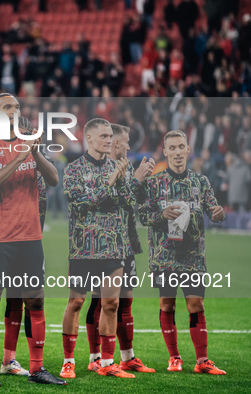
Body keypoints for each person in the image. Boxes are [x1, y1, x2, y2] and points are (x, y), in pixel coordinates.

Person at [0, 93, 65, 386]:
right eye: (7, 107)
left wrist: (35, 153)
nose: (14, 111)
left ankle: (37, 369)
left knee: (35, 301)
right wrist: (20, 158)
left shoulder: (29, 139)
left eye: (16, 107)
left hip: (30, 235)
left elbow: (53, 179)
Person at [138, 130, 226, 375]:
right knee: (167, 305)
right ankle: (174, 357)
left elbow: (213, 209)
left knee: (196, 304)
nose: (177, 152)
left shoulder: (200, 181)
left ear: (188, 150)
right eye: (172, 148)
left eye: (181, 147)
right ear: (165, 152)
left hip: (194, 256)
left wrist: (219, 213)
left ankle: (202, 360)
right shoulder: (155, 183)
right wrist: (160, 215)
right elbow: (143, 215)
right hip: (163, 257)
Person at [60, 118, 135, 380]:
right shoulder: (73, 170)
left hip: (114, 246)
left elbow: (128, 203)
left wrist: (127, 180)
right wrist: (111, 182)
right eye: (103, 136)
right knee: (77, 302)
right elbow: (81, 203)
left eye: (111, 136)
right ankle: (68, 361)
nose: (109, 140)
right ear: (88, 138)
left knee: (111, 303)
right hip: (83, 247)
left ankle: (106, 361)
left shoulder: (117, 166)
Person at [83, 124, 156, 374]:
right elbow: (109, 202)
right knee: (99, 302)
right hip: (101, 245)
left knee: (125, 302)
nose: (127, 146)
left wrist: (141, 180)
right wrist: (136, 180)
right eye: (125, 142)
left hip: (125, 243)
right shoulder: (101, 169)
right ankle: (96, 357)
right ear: (114, 143)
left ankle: (128, 356)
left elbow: (133, 205)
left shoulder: (124, 169)